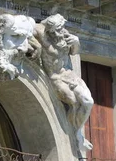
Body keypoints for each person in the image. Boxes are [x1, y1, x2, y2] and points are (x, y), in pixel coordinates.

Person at [32, 14, 94, 152]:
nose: (61, 32)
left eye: (61, 28)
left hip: (69, 75)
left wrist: (76, 42)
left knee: (88, 102)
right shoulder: (41, 33)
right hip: (56, 78)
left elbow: (74, 51)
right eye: (57, 29)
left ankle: (78, 134)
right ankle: (77, 137)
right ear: (50, 30)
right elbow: (25, 28)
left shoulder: (64, 35)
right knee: (73, 101)